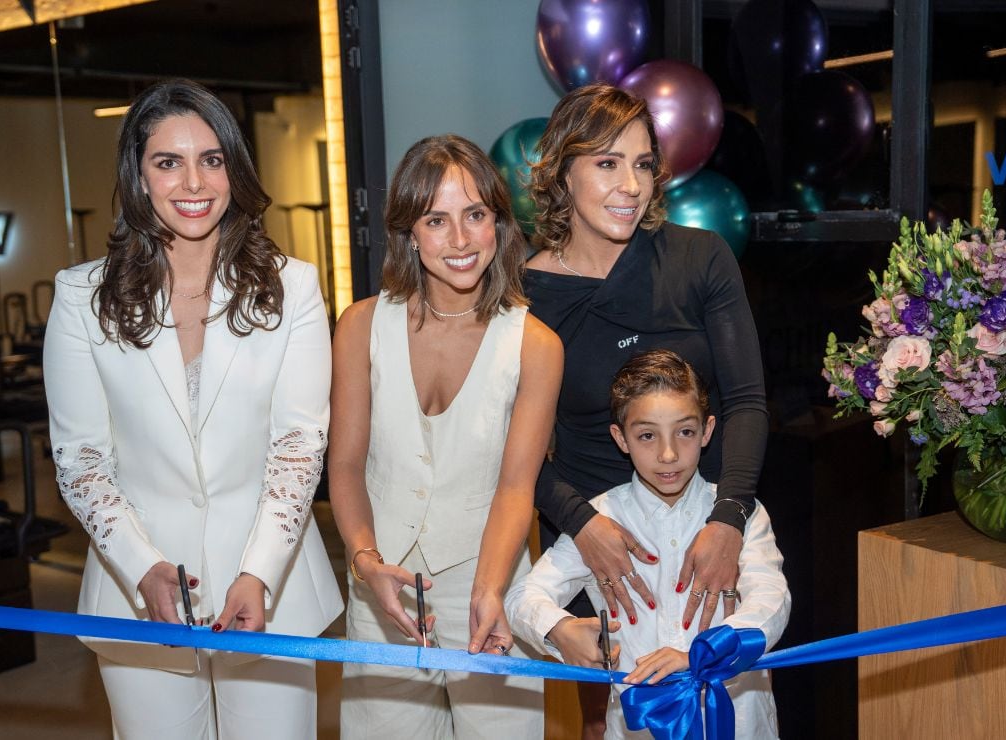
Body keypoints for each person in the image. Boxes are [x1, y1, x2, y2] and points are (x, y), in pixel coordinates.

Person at [44, 79, 341, 739]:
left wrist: (259, 571)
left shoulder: (292, 287)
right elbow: (81, 458)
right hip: (136, 593)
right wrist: (141, 566)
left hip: (272, 589)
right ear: (138, 176)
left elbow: (298, 447)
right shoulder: (82, 297)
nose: (194, 182)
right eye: (167, 162)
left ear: (234, 169)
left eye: (211, 159)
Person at [524, 82, 769, 738]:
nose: (630, 185)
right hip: (594, 546)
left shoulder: (700, 257)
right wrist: (582, 526)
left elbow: (746, 402)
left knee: (724, 706)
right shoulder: (525, 295)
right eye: (607, 163)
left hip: (704, 536)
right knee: (616, 719)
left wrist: (728, 521)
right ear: (562, 172)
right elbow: (511, 449)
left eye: (642, 164)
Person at [329, 134, 563, 739]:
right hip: (381, 583)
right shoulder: (360, 326)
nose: (460, 239)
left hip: (491, 583)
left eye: (475, 215)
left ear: (498, 225)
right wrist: (366, 563)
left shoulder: (536, 345)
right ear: (410, 232)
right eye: (436, 220)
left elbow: (517, 487)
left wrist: (490, 589)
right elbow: (346, 465)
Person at [506, 349, 789, 739]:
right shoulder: (600, 522)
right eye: (647, 435)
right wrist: (559, 628)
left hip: (738, 721)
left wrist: (702, 655)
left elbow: (771, 601)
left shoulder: (741, 517)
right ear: (620, 438)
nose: (668, 454)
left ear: (707, 431)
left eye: (684, 432)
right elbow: (521, 597)